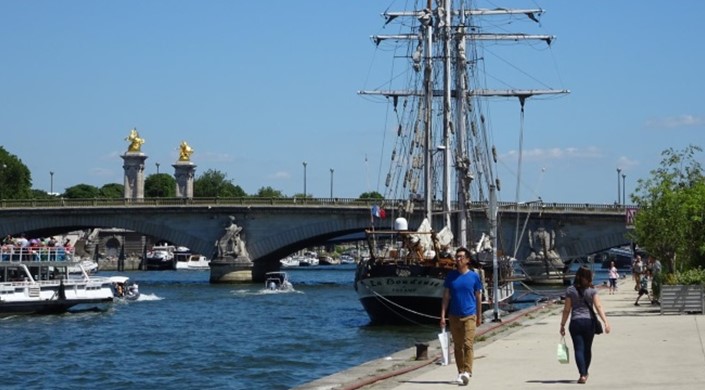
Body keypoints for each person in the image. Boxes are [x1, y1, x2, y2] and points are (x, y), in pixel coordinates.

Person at [560, 266, 610, 384]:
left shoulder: (570, 290)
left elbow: (566, 310)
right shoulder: (592, 290)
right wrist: (605, 322)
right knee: (587, 349)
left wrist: (562, 324)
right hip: (589, 322)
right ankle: (585, 372)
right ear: (589, 277)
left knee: (578, 349)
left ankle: (582, 374)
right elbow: (598, 307)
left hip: (575, 322)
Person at [440, 247, 483, 387]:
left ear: (467, 260)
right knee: (458, 346)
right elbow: (446, 296)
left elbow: (478, 296)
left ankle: (467, 372)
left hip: (469, 314)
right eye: (457, 257)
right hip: (454, 316)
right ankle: (460, 371)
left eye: (461, 257)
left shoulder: (474, 276)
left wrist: (479, 315)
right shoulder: (451, 276)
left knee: (467, 344)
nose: (458, 259)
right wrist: (442, 316)